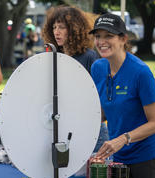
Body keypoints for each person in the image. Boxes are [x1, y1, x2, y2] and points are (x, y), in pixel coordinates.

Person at [89, 13, 155, 178]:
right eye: (98, 36)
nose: (101, 42)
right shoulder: (97, 68)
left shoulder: (140, 72)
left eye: (108, 36)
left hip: (147, 157)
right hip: (118, 156)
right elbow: (103, 111)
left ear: (123, 39)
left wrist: (123, 139)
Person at [42, 5, 108, 153]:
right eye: (54, 27)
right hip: (65, 130)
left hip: (92, 133)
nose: (56, 32)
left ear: (74, 29)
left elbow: (102, 95)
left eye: (62, 27)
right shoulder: (54, 58)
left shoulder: (90, 57)